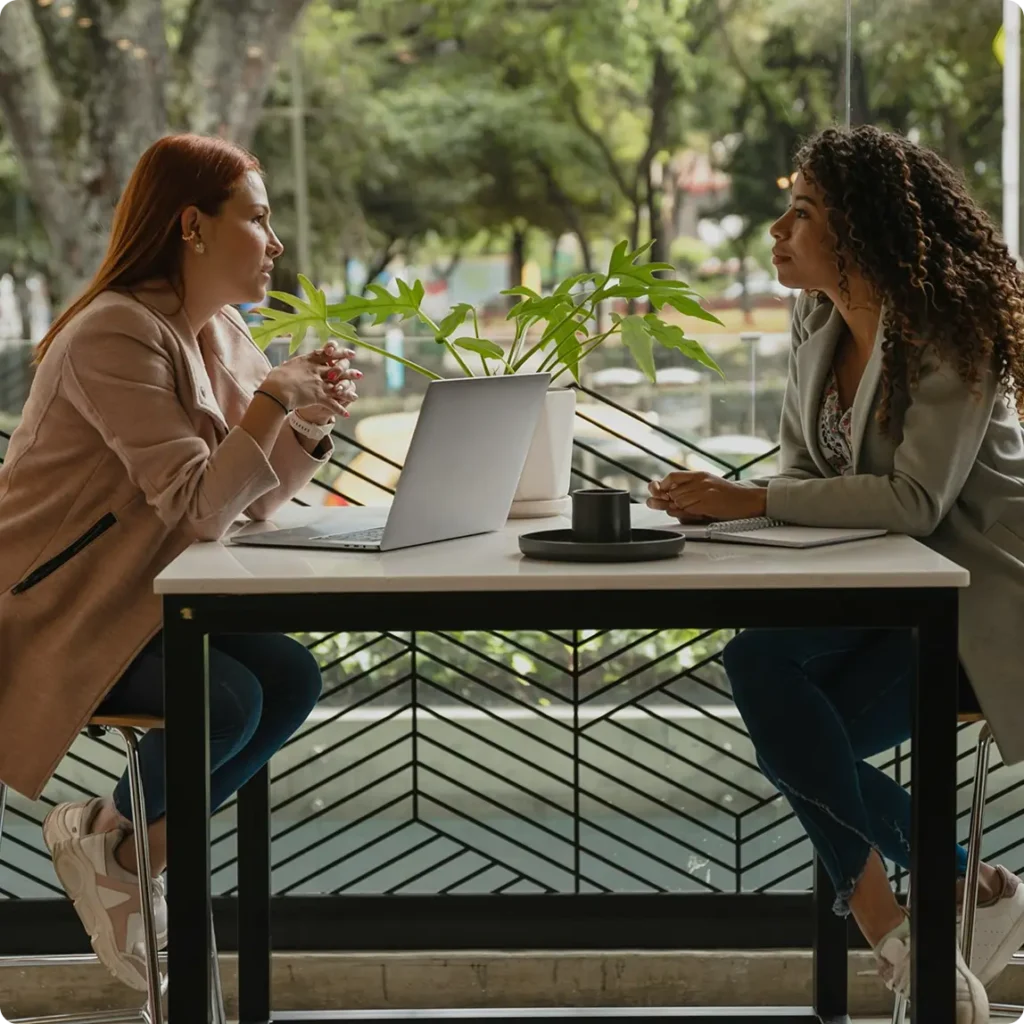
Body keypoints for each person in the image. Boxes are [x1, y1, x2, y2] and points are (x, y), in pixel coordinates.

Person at [649, 125, 1024, 1023]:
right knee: (771, 683)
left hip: (980, 601)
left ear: (859, 231)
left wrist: (745, 505)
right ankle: (945, 908)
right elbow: (806, 474)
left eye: (803, 212)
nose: (777, 228)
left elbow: (915, 500)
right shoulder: (818, 319)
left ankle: (909, 933)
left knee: (787, 719)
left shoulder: (950, 328)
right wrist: (743, 520)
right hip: (883, 588)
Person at [0, 133, 361, 990]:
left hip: (145, 599)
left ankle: (118, 850)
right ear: (193, 225)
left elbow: (255, 501)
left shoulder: (222, 334)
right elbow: (199, 504)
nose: (275, 244)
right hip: (60, 609)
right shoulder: (113, 333)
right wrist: (276, 396)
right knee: (226, 702)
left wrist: (304, 420)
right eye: (259, 219)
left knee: (291, 681)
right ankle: (119, 851)